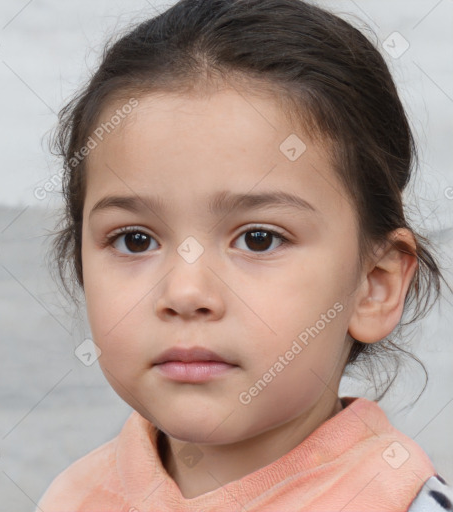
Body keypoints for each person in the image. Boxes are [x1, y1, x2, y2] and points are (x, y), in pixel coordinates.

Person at [37, 0, 453, 510]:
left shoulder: (399, 500)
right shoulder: (73, 497)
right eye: (135, 239)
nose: (186, 293)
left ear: (375, 284)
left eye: (259, 239)